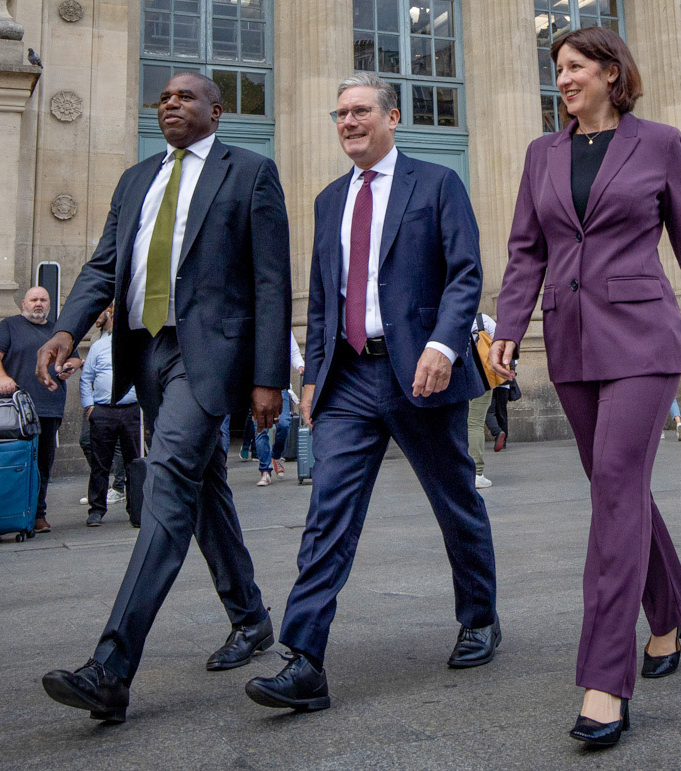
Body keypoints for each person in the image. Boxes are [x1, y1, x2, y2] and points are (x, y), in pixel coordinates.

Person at [488, 28, 681, 748]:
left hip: (641, 338)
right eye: (557, 70)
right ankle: (668, 608)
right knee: (614, 484)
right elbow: (526, 247)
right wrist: (510, 325)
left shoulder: (657, 143)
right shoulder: (544, 153)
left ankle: (606, 677)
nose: (562, 80)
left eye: (573, 68)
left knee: (617, 486)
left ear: (610, 73)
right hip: (569, 338)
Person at [37, 71, 291, 724]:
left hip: (209, 355)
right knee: (204, 486)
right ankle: (252, 617)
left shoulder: (250, 173)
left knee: (170, 483)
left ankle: (110, 669)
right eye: (163, 97)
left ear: (217, 109)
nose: (170, 103)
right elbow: (102, 266)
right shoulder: (135, 180)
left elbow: (270, 279)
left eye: (185, 95)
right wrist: (66, 328)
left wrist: (270, 377)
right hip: (146, 356)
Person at [244, 72, 498, 714]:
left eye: (360, 112)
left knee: (455, 500)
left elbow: (465, 273)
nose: (348, 123)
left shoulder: (437, 183)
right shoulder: (329, 200)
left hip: (421, 372)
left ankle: (479, 616)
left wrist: (444, 346)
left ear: (392, 117)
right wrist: (311, 375)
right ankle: (304, 660)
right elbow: (324, 297)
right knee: (327, 511)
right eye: (340, 114)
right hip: (349, 378)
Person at [0, 286, 80, 533]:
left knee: (42, 464)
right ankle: (4, 513)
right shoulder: (9, 326)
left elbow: (76, 357)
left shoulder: (57, 331)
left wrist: (70, 365)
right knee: (11, 461)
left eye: (43, 300)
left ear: (50, 304)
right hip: (12, 408)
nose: (38, 303)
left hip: (48, 407)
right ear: (24, 304)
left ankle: (38, 514)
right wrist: (1, 378)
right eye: (34, 299)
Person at [80, 304, 141, 526]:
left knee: (133, 463)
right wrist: (89, 406)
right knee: (100, 463)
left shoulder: (135, 345)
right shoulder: (99, 346)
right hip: (103, 410)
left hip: (131, 410)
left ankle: (137, 509)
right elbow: (86, 378)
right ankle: (96, 509)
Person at [246, 331, 305, 485]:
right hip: (256, 386)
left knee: (284, 423)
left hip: (280, 386)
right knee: (260, 428)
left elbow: (293, 350)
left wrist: (300, 364)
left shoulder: (280, 325)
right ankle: (265, 470)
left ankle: (276, 455)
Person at [468, 312, 497, 487]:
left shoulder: (446, 318)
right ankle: (476, 473)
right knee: (475, 423)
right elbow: (500, 344)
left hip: (455, 378)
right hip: (482, 377)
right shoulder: (483, 320)